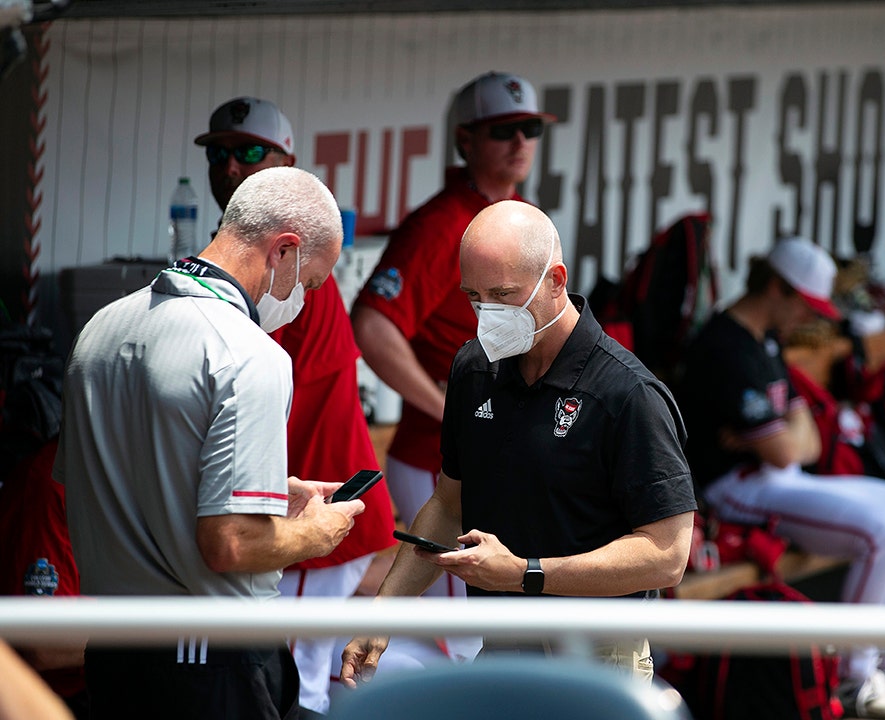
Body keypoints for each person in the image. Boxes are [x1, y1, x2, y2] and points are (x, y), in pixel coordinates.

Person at [339, 200, 697, 685]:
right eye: (473, 296)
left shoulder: (628, 393)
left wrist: (526, 573)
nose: (487, 313)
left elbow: (667, 555)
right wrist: (382, 615)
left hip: (596, 661)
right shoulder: (474, 368)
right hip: (501, 646)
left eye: (503, 295)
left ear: (556, 280)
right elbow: (448, 504)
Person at [56, 166, 366, 720]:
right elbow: (230, 544)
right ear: (284, 251)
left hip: (112, 648)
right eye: (312, 284)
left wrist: (267, 494)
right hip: (211, 654)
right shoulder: (249, 353)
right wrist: (315, 533)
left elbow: (109, 484)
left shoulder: (100, 328)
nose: (304, 299)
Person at [677, 237, 885, 719]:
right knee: (883, 532)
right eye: (805, 305)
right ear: (777, 288)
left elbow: (804, 440)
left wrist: (776, 437)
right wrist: (782, 438)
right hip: (734, 489)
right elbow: (785, 449)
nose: (809, 318)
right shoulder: (724, 345)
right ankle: (855, 676)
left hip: (781, 479)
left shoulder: (766, 338)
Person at [194, 96, 397, 718]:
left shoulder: (292, 274)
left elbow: (268, 412)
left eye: (251, 151)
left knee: (297, 684)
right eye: (221, 153)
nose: (233, 165)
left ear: (286, 163)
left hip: (312, 504)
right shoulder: (238, 263)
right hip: (292, 506)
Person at [350, 70, 554, 662]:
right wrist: (446, 406)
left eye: (530, 128)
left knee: (480, 628)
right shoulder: (444, 223)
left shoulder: (515, 214)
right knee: (463, 636)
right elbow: (373, 324)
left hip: (498, 448)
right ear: (466, 139)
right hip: (436, 461)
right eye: (502, 131)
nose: (520, 142)